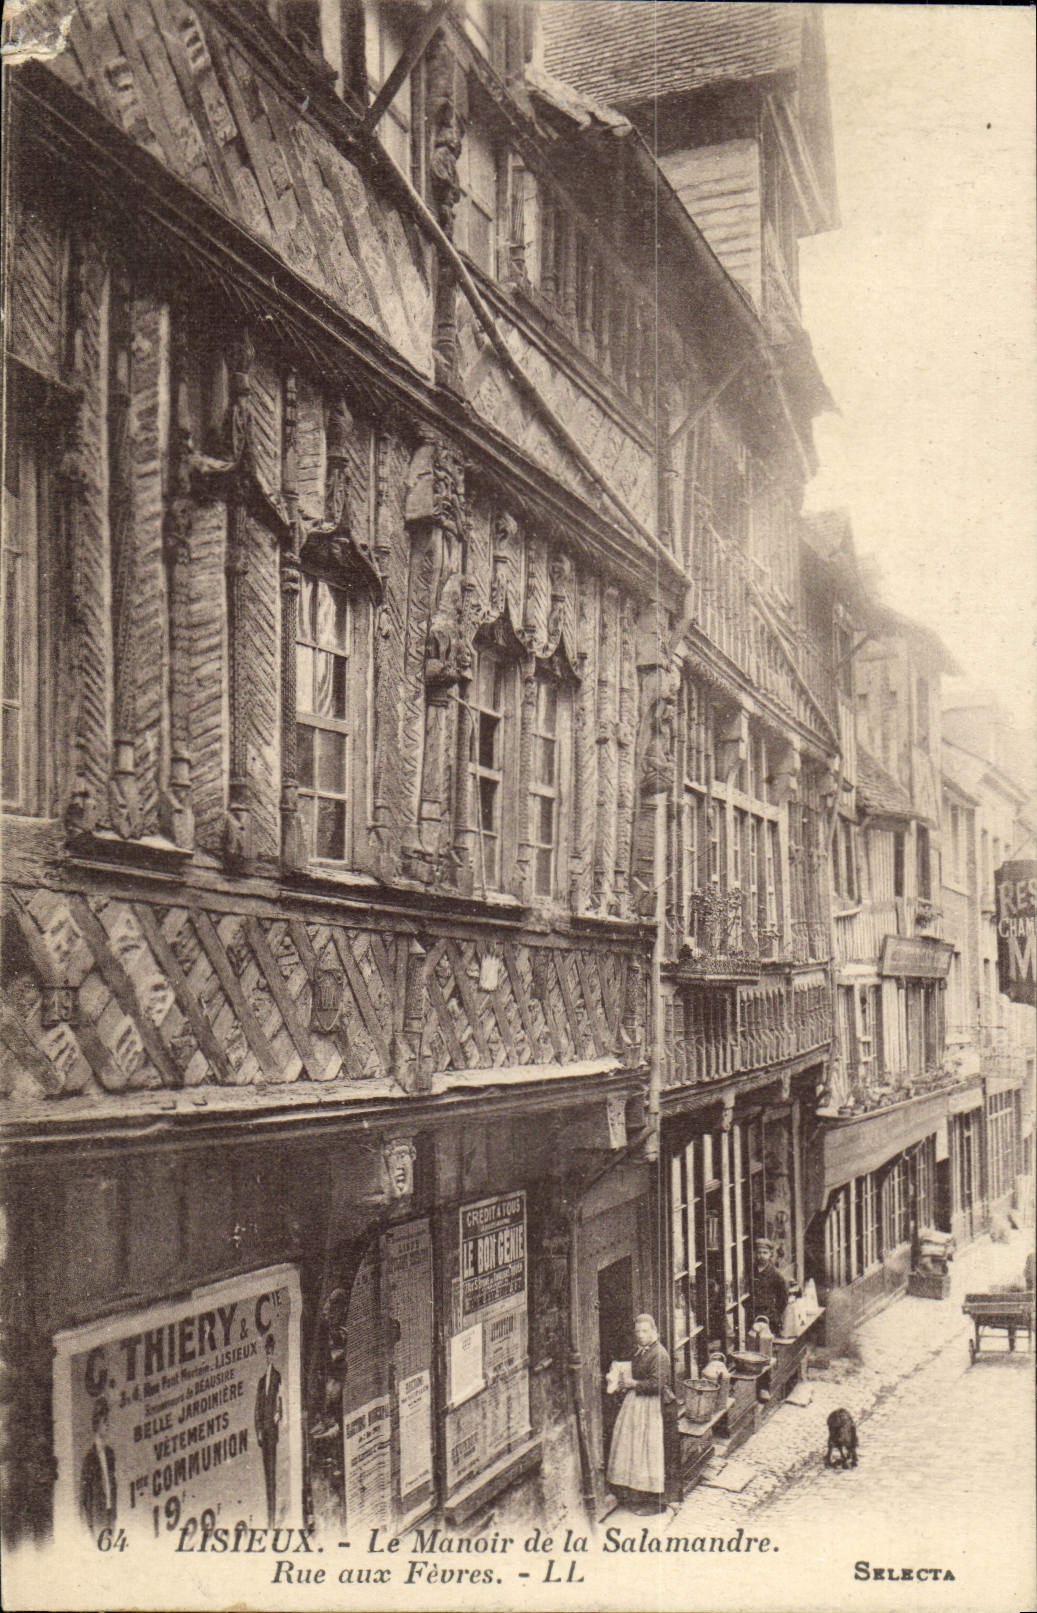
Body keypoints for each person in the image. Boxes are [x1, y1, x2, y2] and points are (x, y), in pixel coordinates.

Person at [606, 1314, 674, 1515]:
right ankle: (635, 1494)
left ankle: (656, 1502)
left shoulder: (659, 1354)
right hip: (637, 1405)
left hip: (651, 1407)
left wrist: (634, 1384)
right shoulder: (641, 1352)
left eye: (645, 1331)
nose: (641, 1335)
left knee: (649, 1451)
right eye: (638, 1331)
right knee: (634, 1449)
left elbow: (659, 1384)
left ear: (654, 1332)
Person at [254, 1333, 284, 1527]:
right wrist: (258, 1429)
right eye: (267, 1353)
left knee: (272, 1474)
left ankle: (272, 1518)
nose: (269, 1356)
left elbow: (281, 1403)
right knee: (267, 1474)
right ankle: (269, 1515)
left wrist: (276, 1417)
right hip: (263, 1433)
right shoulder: (260, 1381)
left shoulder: (277, 1377)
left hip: (271, 1432)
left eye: (271, 1353)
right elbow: (257, 1407)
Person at [80, 1396, 117, 1537]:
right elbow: (85, 1498)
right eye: (104, 1421)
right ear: (97, 1424)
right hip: (98, 1518)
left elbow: (112, 1484)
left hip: (110, 1514)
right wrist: (89, 1526)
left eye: (108, 1420)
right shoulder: (90, 1459)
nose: (108, 1425)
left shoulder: (110, 1453)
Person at [751, 1238, 789, 1336]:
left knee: (766, 1343)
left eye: (765, 1253)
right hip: (752, 1314)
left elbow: (783, 1298)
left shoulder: (775, 1274)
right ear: (755, 1253)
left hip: (768, 1315)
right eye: (759, 1253)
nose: (761, 1256)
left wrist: (775, 1314)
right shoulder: (750, 1271)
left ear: (770, 1254)